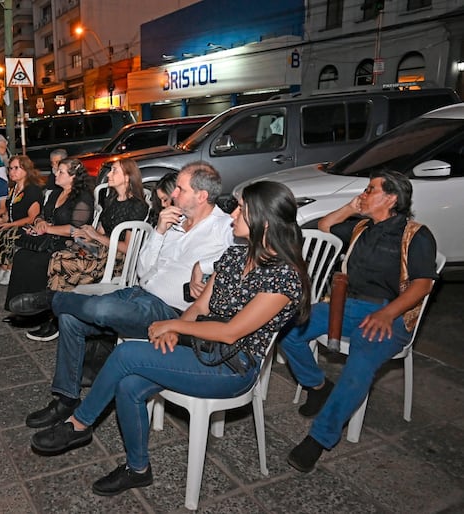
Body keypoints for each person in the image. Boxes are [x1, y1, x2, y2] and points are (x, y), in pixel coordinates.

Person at [29, 181, 309, 496]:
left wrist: (173, 326)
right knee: (128, 384)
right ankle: (138, 469)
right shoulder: (234, 255)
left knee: (125, 355)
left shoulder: (284, 278)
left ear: (264, 220)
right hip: (201, 345)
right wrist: (177, 327)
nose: (234, 215)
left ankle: (80, 425)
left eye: (242, 210)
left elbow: (233, 332)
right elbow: (201, 306)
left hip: (233, 365)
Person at [23, 162, 235, 429]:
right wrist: (158, 231)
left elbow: (246, 262)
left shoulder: (225, 228)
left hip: (168, 310)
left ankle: (52, 299)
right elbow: (143, 270)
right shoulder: (174, 220)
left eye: (180, 189)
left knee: (101, 310)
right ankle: (66, 398)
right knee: (69, 319)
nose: (174, 195)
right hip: (138, 293)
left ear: (201, 196)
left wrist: (203, 268)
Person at [283, 169, 438, 473]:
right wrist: (351, 208)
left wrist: (387, 313)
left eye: (370, 190)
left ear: (391, 198)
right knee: (289, 328)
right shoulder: (361, 228)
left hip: (388, 312)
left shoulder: (416, 234)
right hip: (346, 304)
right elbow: (327, 225)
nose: (364, 195)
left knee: (360, 360)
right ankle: (317, 386)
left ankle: (319, 438)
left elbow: (423, 284)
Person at [11, 158, 149, 342]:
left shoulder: (137, 206)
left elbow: (127, 248)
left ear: (127, 177)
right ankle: (55, 315)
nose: (108, 174)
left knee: (61, 261)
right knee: (59, 256)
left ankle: (55, 317)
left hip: (116, 259)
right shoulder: (112, 199)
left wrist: (96, 237)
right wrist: (88, 234)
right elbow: (100, 231)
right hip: (101, 249)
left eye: (114, 171)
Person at [2, 158, 95, 326]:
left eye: (61, 172)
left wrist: (48, 229)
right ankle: (21, 310)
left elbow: (77, 229)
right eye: (56, 170)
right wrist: (39, 223)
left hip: (71, 243)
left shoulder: (83, 197)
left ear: (73, 176)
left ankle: (41, 315)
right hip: (50, 239)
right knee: (22, 256)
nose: (55, 174)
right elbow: (42, 215)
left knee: (37, 261)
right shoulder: (56, 193)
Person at [0, 155, 43, 287]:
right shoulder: (14, 189)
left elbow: (32, 218)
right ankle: (4, 267)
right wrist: (3, 220)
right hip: (14, 223)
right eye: (10, 168)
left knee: (8, 234)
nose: (12, 172)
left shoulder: (32, 190)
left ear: (26, 169)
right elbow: (10, 210)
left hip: (28, 227)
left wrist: (9, 224)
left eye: (16, 168)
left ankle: (11, 270)